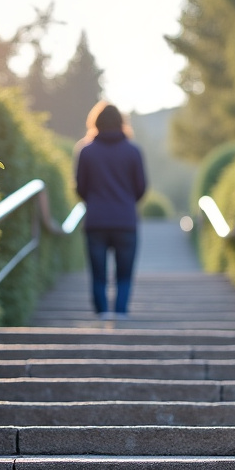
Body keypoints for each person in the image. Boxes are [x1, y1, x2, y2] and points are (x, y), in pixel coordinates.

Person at [74, 101, 146, 316]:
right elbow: (141, 188)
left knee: (98, 273)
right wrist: (126, 201)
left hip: (96, 221)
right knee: (125, 273)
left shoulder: (85, 151)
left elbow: (80, 188)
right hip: (125, 220)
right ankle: (121, 312)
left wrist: (95, 201)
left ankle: (102, 313)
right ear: (121, 123)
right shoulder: (134, 151)